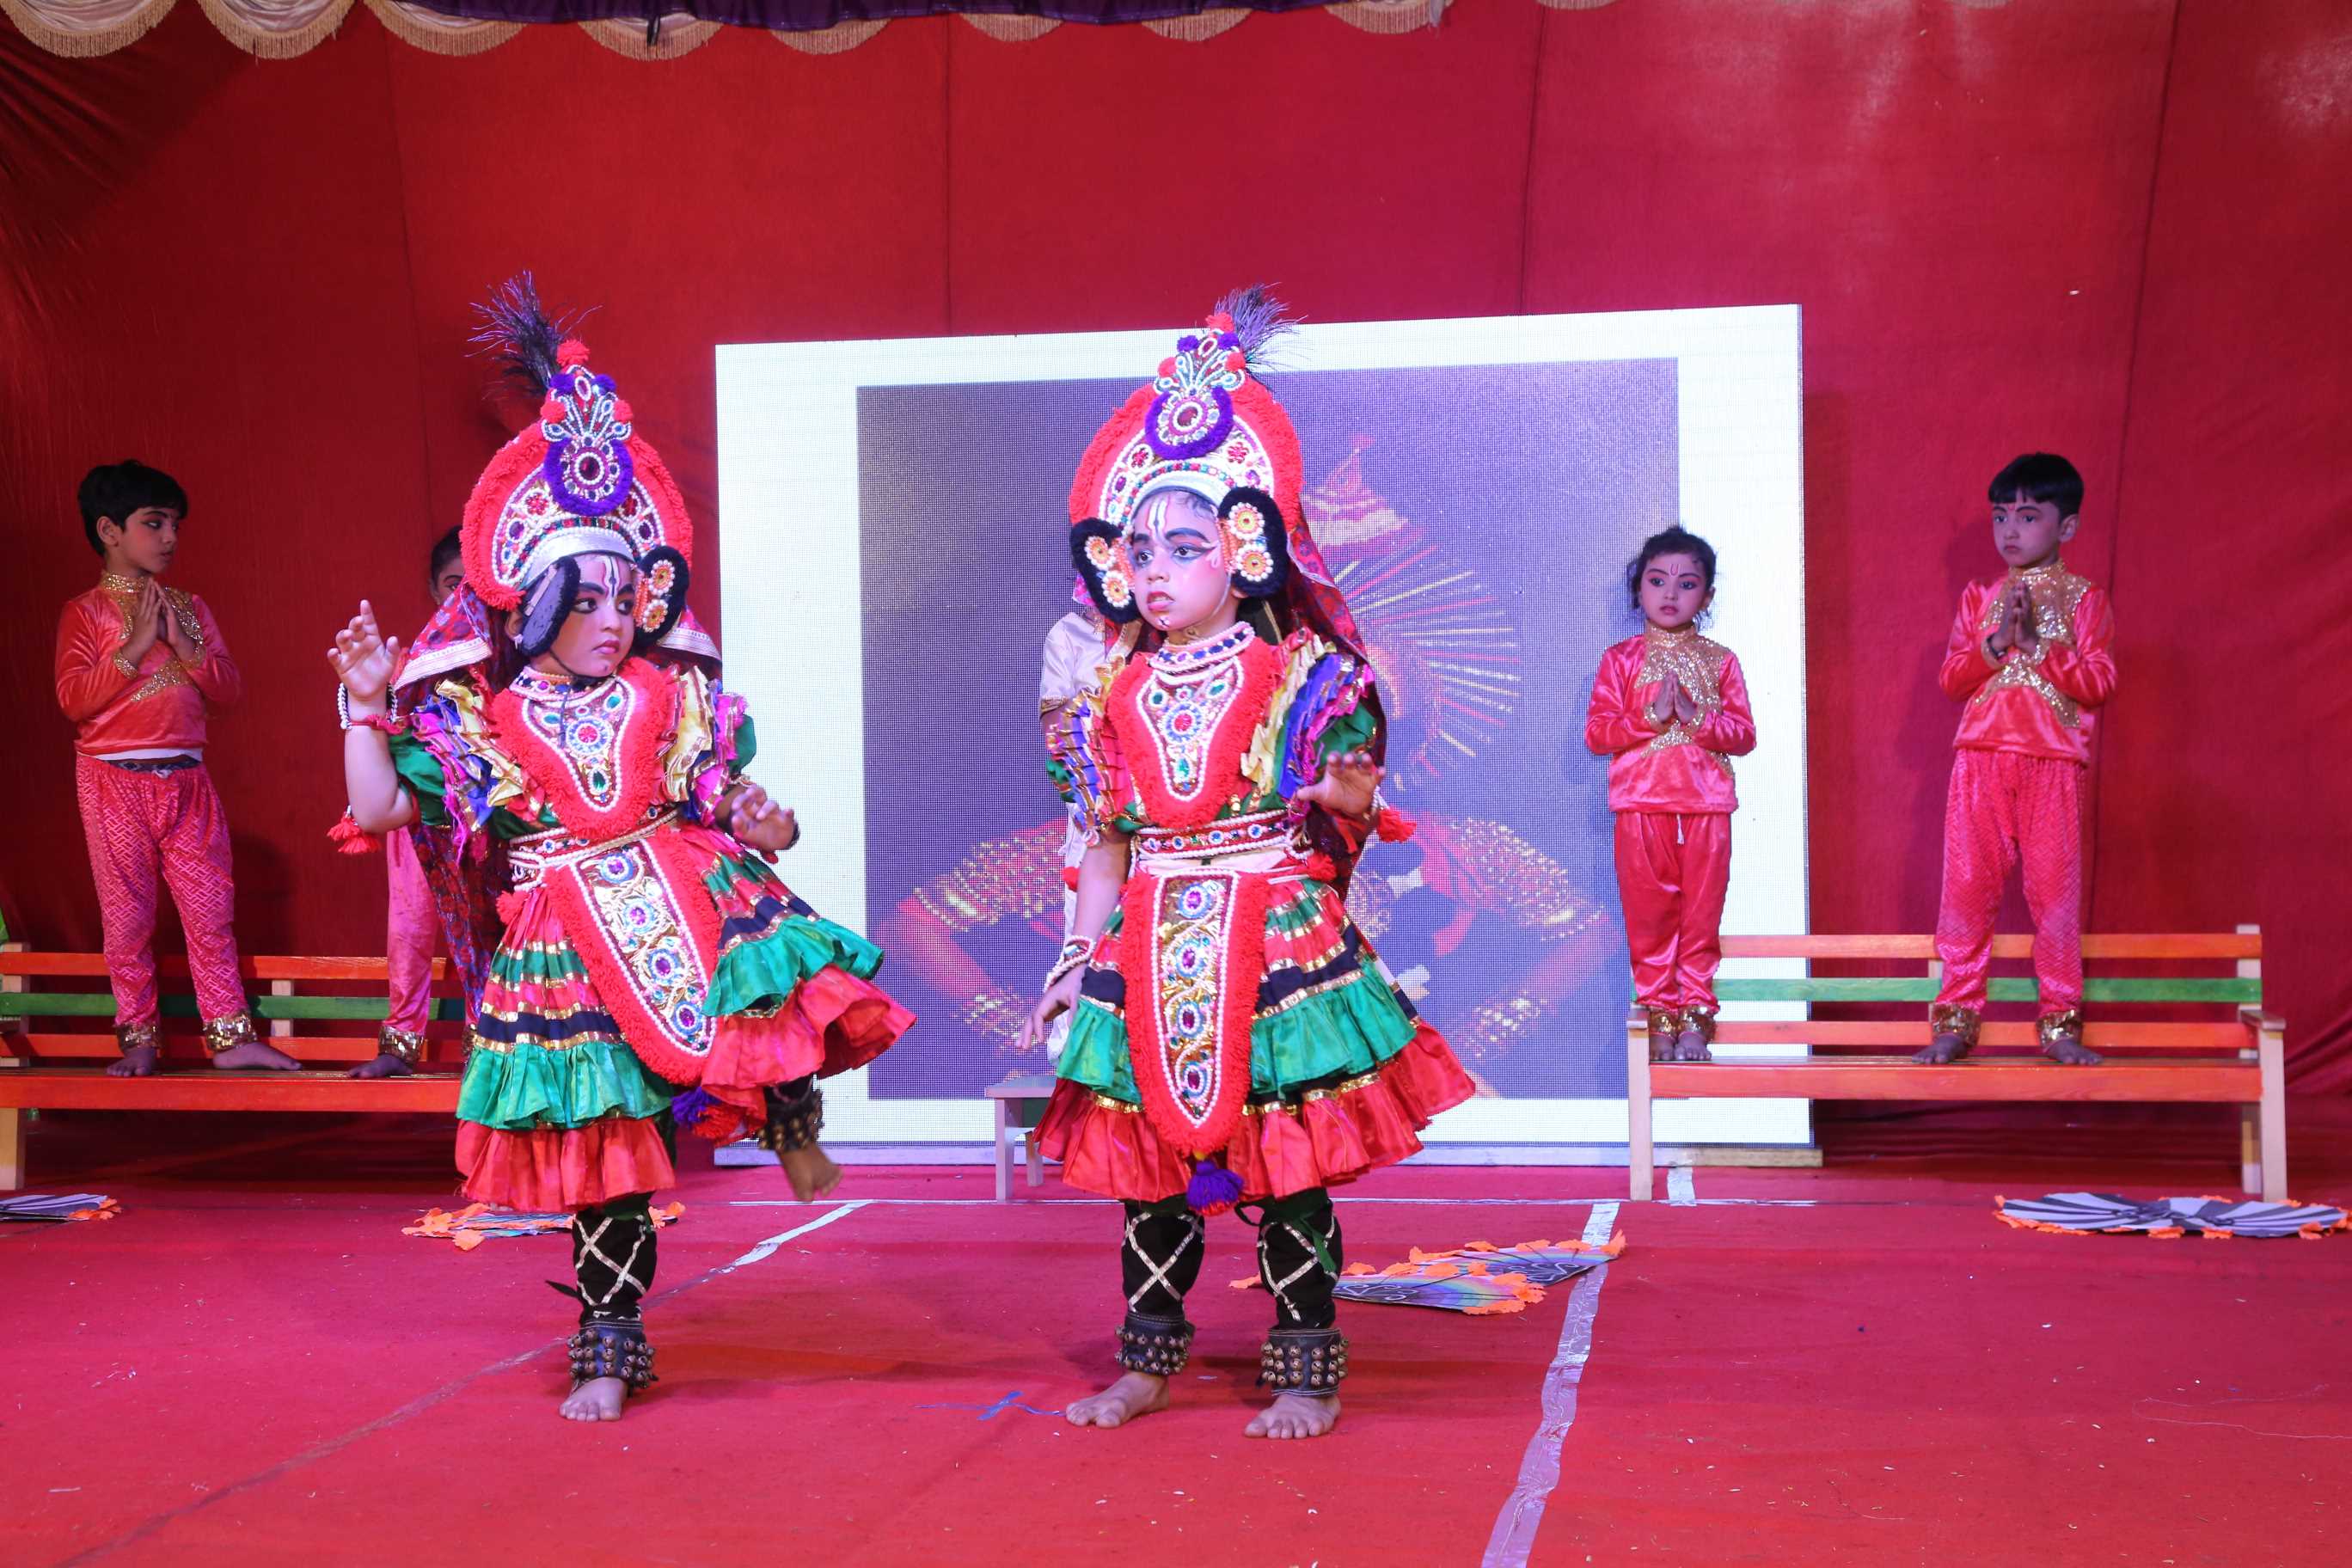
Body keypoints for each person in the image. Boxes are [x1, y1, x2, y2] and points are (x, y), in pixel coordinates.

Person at [328, 279, 913, 1422]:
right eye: (587, 600)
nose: (613, 617)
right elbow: (386, 808)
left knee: (768, 994)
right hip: (562, 938)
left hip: (681, 886)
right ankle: (610, 1341)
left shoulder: (671, 694)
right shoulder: (487, 718)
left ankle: (792, 1123)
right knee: (606, 1152)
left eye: (627, 596)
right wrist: (361, 705)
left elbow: (726, 797)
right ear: (535, 603)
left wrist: (769, 824)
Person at [1020, 291, 1474, 1442]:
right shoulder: (1108, 691)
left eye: (1186, 548)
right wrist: (1074, 959)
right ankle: (1146, 1363)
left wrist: (1346, 796)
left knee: (1284, 1161)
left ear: (1248, 551)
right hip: (1149, 929)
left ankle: (1306, 1367)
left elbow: (1354, 797)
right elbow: (1106, 839)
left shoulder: (1301, 672)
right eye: (1139, 551)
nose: (1157, 571)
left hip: (1269, 930)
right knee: (1147, 1167)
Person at [54, 460, 296, 1075]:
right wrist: (135, 645)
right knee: (127, 917)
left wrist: (184, 644)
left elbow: (228, 689)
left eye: (175, 527)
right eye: (154, 523)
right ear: (109, 530)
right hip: (112, 780)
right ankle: (139, 1038)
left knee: (211, 912)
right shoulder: (85, 613)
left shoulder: (189, 608)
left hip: (187, 778)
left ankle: (230, 1037)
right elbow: (74, 700)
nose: (169, 538)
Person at [1917, 453, 2116, 1066]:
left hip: (2050, 763)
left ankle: (2060, 1026)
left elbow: (2100, 683)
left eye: (2028, 516)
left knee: (2055, 900)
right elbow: (1952, 678)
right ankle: (1956, 1019)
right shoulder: (1980, 598)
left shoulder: (2085, 600)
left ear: (2067, 527)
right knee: (1965, 893)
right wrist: (1999, 643)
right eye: (2001, 516)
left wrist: (2039, 647)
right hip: (1979, 761)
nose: (2010, 530)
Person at [1583, 527, 1756, 1062]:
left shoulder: (1721, 660)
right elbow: (1598, 735)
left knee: (1700, 917)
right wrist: (1651, 717)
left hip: (1707, 806)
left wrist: (1696, 717)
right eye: (1657, 581)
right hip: (1640, 804)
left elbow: (1743, 736)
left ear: (1707, 595)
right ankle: (1660, 1013)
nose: (1670, 594)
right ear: (1639, 589)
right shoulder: (1621, 660)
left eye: (1687, 583)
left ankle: (1697, 1016)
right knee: (1650, 918)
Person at [348, 527, 499, 1080]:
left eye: (475, 587)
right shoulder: (408, 663)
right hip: (417, 816)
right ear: (435, 590)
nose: (463, 597)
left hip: (485, 820)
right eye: (453, 585)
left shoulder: (503, 663)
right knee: (410, 928)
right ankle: (399, 1043)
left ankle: (491, 1045)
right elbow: (379, 738)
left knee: (487, 927)